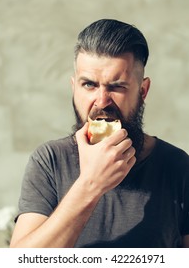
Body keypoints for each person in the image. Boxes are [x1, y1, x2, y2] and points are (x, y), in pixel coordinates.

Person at [10, 19, 189, 248]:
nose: (102, 101)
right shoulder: (50, 161)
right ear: (74, 88)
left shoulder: (177, 167)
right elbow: (19, 261)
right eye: (89, 85)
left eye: (117, 86)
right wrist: (91, 184)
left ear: (143, 91)